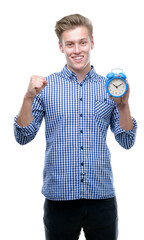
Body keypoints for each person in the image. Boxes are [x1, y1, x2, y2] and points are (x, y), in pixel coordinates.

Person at [14, 13, 137, 240]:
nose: (77, 50)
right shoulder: (46, 87)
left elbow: (127, 141)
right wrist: (28, 98)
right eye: (70, 44)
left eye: (82, 42)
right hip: (59, 199)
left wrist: (123, 105)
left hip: (101, 197)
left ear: (92, 42)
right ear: (61, 47)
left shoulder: (110, 87)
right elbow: (23, 136)